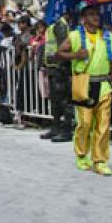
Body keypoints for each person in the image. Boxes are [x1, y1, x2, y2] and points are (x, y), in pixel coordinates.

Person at [58, 4, 112, 175]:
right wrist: (76, 55)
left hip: (104, 85)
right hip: (83, 84)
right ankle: (81, 155)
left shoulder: (108, 37)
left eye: (97, 14)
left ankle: (100, 160)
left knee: (103, 125)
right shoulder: (75, 35)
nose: (96, 17)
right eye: (91, 14)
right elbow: (58, 53)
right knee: (85, 123)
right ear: (83, 18)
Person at [39, 14, 73, 142]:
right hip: (53, 67)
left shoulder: (60, 24)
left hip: (60, 68)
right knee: (55, 101)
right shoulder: (54, 24)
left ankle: (66, 130)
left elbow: (64, 46)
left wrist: (62, 66)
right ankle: (56, 127)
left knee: (64, 101)